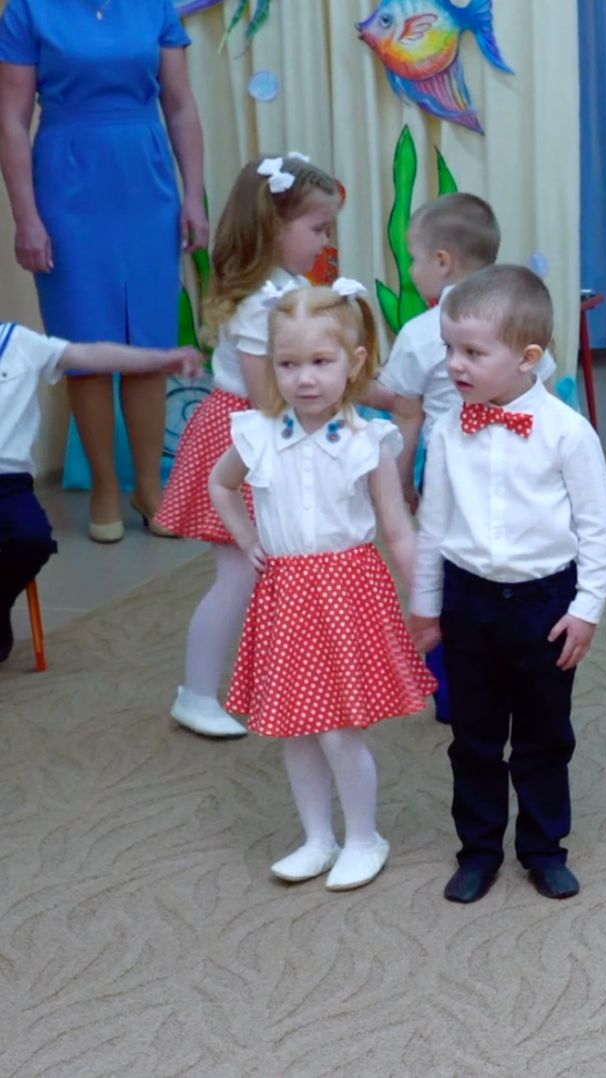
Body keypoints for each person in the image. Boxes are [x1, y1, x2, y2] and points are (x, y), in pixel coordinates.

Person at [210, 281, 433, 891]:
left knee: (339, 730)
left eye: (320, 361)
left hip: (347, 595)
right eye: (288, 364)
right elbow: (220, 485)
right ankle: (317, 838)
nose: (304, 378)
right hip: (285, 596)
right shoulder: (257, 434)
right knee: (296, 727)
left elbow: (398, 530)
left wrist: (426, 600)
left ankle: (364, 837)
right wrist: (246, 539)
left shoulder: (369, 442)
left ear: (353, 363)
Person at [407, 265, 606, 905]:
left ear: (527, 358)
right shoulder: (448, 430)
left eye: (472, 352)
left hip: (545, 604)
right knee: (472, 736)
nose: (455, 365)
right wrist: (426, 608)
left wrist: (586, 610)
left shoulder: (568, 433)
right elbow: (432, 526)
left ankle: (544, 850)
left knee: (544, 735)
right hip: (468, 599)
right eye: (450, 349)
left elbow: (597, 531)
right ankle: (477, 852)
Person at [0, 0, 208, 543]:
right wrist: (26, 217)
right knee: (83, 340)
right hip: (65, 183)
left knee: (149, 339)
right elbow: (11, 120)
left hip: (147, 180)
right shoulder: (27, 11)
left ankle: (150, 489)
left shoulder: (155, 8)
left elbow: (180, 105)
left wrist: (194, 196)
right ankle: (105, 487)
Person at [157, 153, 339, 739]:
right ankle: (196, 693)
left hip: (267, 435)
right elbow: (268, 397)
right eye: (318, 229)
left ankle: (262, 681)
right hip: (247, 439)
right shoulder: (263, 301)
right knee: (239, 574)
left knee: (270, 569)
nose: (325, 241)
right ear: (275, 226)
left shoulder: (287, 288)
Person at [362, 192, 552, 726]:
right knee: (511, 567)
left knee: (448, 574)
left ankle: (454, 693)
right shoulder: (518, 324)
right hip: (521, 470)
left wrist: (401, 483)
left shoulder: (424, 331)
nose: (412, 269)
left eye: (413, 258)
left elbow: (407, 414)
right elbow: (547, 402)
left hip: (450, 474)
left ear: (442, 262)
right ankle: (515, 674)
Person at [1, 325, 199, 663]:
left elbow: (91, 355)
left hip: (8, 483)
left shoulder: (17, 341)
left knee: (31, 539)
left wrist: (160, 358)